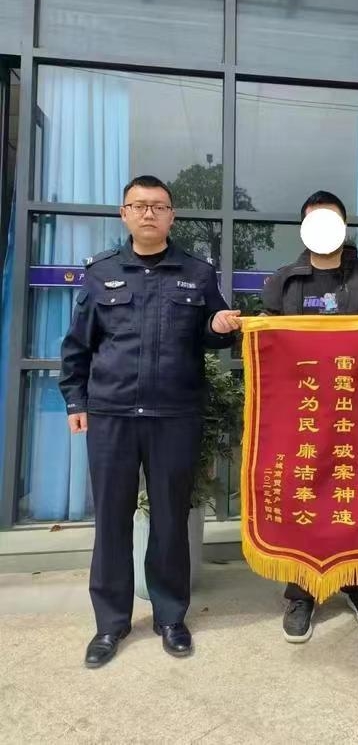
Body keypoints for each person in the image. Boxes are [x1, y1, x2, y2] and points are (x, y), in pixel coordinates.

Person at [60, 175, 241, 668]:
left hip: (174, 415)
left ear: (171, 216)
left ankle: (170, 617)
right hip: (112, 414)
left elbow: (214, 334)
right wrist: (76, 402)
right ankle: (110, 623)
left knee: (169, 519)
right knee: (112, 520)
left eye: (158, 206)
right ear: (124, 214)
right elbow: (78, 346)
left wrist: (220, 326)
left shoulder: (197, 273)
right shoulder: (100, 273)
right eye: (138, 205)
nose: (148, 213)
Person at [262, 190, 358, 643]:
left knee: (357, 494)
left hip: (356, 414)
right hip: (301, 414)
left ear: (345, 225)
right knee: (304, 495)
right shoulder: (284, 282)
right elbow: (268, 343)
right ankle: (301, 593)